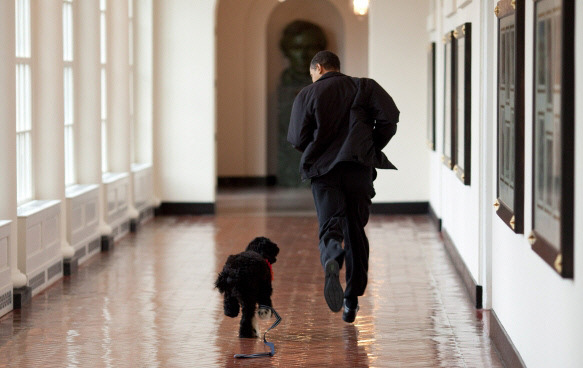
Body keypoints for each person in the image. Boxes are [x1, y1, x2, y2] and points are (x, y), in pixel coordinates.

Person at [287, 50, 399, 323]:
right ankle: (351, 300)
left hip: (325, 172)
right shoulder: (364, 86)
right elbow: (390, 118)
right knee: (355, 230)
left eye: (312, 73)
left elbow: (296, 137)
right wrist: (368, 145)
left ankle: (332, 256)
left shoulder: (307, 94)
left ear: (320, 68)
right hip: (358, 169)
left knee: (331, 225)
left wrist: (318, 147)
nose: (312, 78)